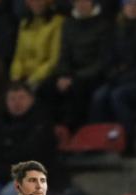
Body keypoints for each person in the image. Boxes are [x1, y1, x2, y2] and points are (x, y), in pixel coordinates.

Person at [89, 0, 136, 150]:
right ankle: (99, 141)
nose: (133, 8)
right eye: (129, 4)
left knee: (118, 95)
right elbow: (107, 58)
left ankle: (129, 139)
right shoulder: (114, 28)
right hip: (119, 78)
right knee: (99, 96)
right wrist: (114, 74)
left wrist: (123, 77)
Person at [44, 0, 109, 128]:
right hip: (72, 73)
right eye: (78, 2)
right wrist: (63, 75)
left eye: (85, 1)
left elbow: (103, 60)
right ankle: (49, 128)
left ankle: (73, 130)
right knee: (47, 86)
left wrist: (74, 77)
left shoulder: (104, 24)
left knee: (76, 89)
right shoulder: (68, 24)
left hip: (93, 74)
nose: (82, 4)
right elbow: (64, 53)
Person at [9, 0, 64, 89]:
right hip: (22, 77)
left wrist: (32, 80)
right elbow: (18, 56)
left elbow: (53, 60)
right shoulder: (24, 23)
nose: (36, 3)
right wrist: (16, 76)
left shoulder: (57, 23)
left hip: (43, 78)